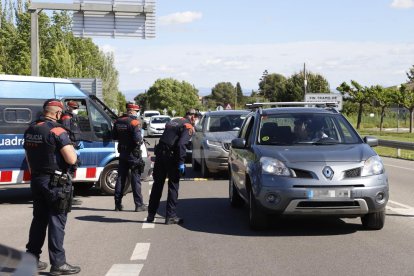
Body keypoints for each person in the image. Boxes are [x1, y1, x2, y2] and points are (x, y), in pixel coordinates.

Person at [24, 99, 81, 275]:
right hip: (55, 183)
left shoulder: (31, 129)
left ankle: (31, 259)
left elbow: (28, 156)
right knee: (57, 222)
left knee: (39, 220)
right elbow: (71, 159)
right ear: (57, 113)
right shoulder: (57, 130)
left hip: (37, 179)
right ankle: (58, 263)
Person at [147, 109, 197, 225]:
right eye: (196, 118)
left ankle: (151, 214)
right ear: (193, 117)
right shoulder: (187, 126)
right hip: (171, 158)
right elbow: (181, 145)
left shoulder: (174, 121)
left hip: (160, 156)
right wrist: (181, 162)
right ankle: (170, 216)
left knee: (157, 185)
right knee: (173, 186)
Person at [113, 103, 147, 212]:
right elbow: (138, 140)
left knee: (120, 178)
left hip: (122, 153)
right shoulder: (134, 122)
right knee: (135, 179)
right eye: (136, 112)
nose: (137, 114)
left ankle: (117, 204)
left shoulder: (118, 121)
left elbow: (114, 136)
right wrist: (141, 139)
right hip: (133, 154)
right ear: (132, 111)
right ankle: (139, 204)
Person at [60, 100, 83, 206]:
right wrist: (70, 146)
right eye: (74, 108)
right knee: (68, 172)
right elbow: (65, 133)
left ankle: (69, 196)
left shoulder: (73, 117)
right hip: (71, 147)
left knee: (72, 171)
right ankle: (67, 197)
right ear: (68, 107)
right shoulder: (66, 118)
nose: (76, 110)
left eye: (76, 108)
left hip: (75, 145)